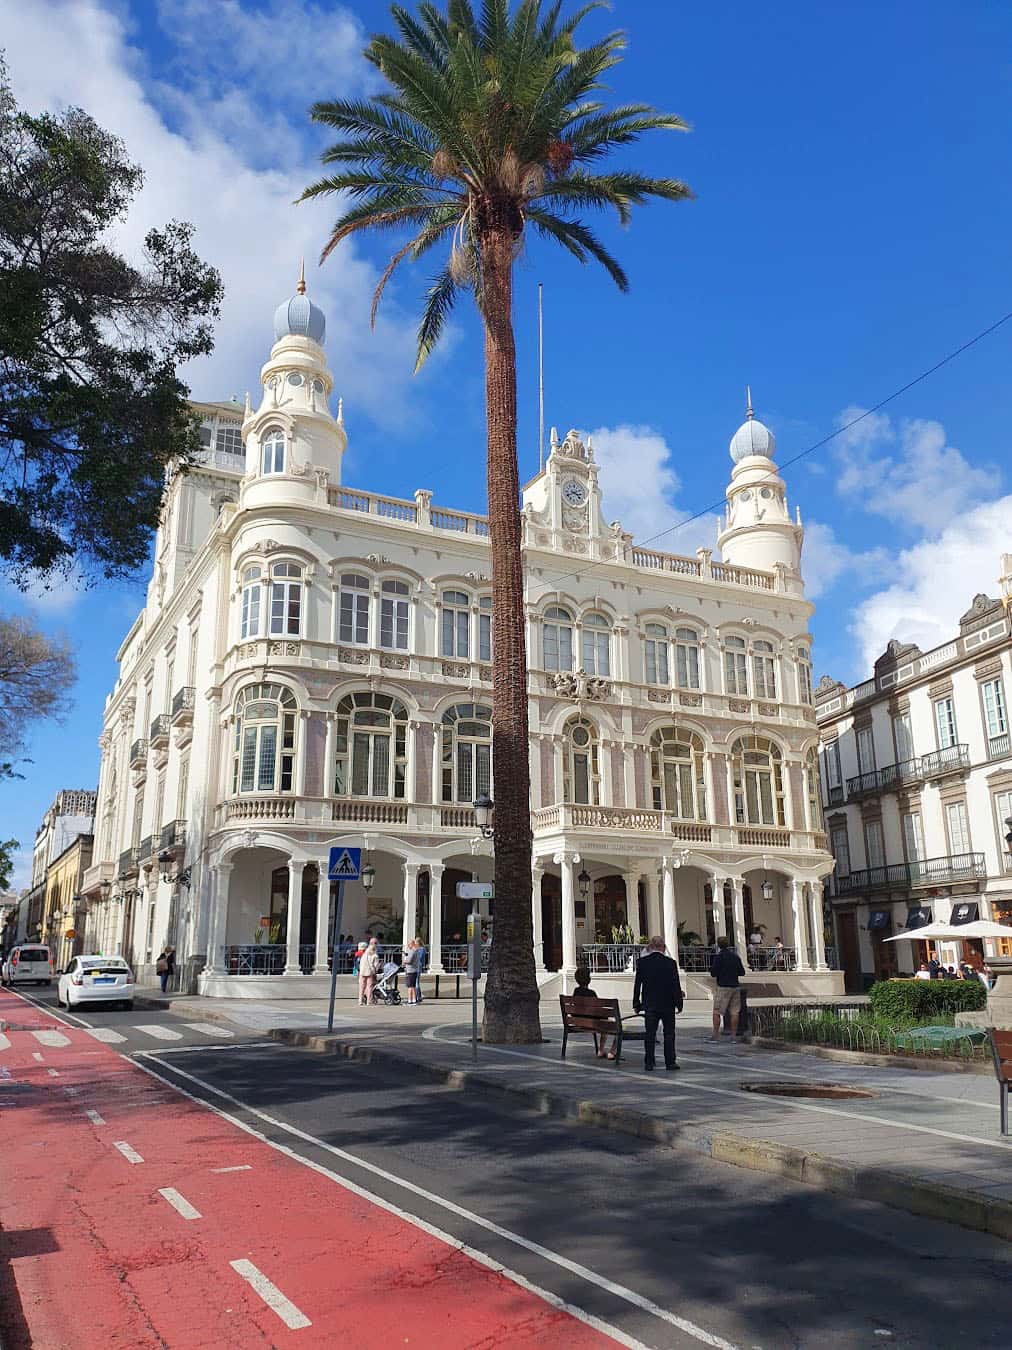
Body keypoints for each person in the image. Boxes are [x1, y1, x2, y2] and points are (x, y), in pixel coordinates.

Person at [632, 937, 683, 1072]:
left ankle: (649, 1062)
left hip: (650, 1004)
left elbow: (637, 985)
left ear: (650, 947)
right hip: (667, 1004)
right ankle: (670, 1062)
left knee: (650, 1033)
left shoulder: (642, 963)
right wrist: (679, 1003)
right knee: (669, 1033)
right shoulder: (671, 963)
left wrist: (636, 1003)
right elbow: (675, 985)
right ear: (664, 948)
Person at [710, 935, 746, 1041]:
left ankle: (715, 1035)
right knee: (734, 1012)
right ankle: (733, 1036)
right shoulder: (735, 957)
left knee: (717, 1012)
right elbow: (742, 972)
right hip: (735, 986)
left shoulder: (719, 957)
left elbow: (713, 973)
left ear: (718, 945)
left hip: (723, 986)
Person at [358, 938, 381, 1005]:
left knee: (361, 986)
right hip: (370, 972)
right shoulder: (375, 955)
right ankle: (368, 1001)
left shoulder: (365, 953)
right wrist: (376, 970)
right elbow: (376, 966)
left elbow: (361, 962)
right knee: (369, 986)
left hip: (362, 971)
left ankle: (360, 1000)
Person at [402, 937, 421, 1005]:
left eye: (409, 944)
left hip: (410, 970)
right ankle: (414, 1000)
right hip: (414, 970)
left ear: (412, 944)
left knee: (410, 986)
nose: (408, 945)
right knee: (413, 986)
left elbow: (409, 960)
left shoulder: (412, 951)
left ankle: (410, 1000)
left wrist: (404, 961)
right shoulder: (416, 951)